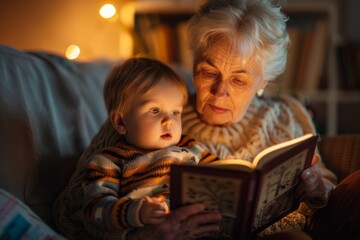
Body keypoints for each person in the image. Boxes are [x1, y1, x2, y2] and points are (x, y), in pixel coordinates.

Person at [53, 0, 360, 239]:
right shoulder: (148, 114)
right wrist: (140, 235)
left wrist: (319, 192)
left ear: (263, 81)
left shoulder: (288, 114)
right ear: (194, 62)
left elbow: (328, 194)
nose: (219, 92)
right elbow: (68, 214)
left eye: (239, 80)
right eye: (208, 72)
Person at [53, 57, 220, 239]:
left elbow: (222, 171)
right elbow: (96, 209)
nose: (169, 121)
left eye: (175, 112)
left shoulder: (189, 146)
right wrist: (136, 213)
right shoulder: (109, 160)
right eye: (155, 110)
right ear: (120, 121)